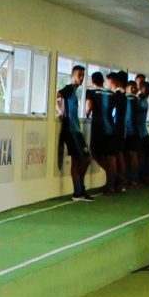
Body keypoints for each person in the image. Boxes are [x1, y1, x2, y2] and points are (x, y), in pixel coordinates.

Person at [57, 64, 93, 201]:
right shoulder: (69, 88)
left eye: (83, 75)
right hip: (70, 131)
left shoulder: (75, 90)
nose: (82, 78)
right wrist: (60, 111)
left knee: (79, 161)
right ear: (72, 75)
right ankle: (78, 191)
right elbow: (56, 95)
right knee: (85, 158)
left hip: (76, 129)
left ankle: (79, 190)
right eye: (79, 75)